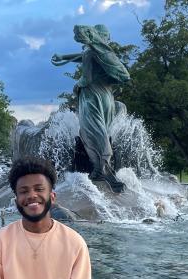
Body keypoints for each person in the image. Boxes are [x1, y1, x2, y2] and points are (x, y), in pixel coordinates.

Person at [52, 24, 130, 192]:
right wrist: (65, 56)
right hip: (106, 98)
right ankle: (104, 168)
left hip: (91, 98)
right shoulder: (104, 52)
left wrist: (76, 86)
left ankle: (102, 170)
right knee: (105, 131)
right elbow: (86, 56)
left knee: (94, 131)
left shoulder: (91, 51)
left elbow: (86, 79)